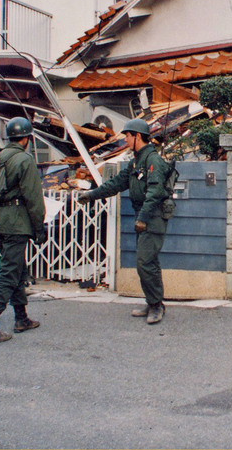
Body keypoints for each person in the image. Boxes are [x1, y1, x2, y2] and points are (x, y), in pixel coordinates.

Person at [77, 118, 173, 325]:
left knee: (145, 263)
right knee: (148, 263)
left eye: (128, 136)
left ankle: (156, 306)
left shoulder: (152, 161)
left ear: (137, 136)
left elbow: (156, 192)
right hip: (144, 216)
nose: (126, 140)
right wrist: (92, 194)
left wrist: (143, 218)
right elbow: (117, 183)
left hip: (152, 217)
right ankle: (153, 302)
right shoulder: (136, 161)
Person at [0, 118, 46, 344]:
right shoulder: (24, 159)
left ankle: (21, 317)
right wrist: (39, 227)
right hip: (16, 223)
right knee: (9, 272)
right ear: (26, 138)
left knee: (16, 268)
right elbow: (34, 198)